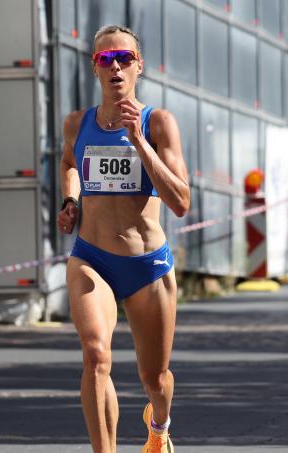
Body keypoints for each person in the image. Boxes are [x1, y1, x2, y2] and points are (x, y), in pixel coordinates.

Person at [56, 25, 190, 453]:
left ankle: (159, 426)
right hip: (92, 257)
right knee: (96, 356)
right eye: (105, 59)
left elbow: (182, 202)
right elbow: (68, 162)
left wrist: (139, 143)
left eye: (124, 59)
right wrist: (72, 199)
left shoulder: (159, 123)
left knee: (156, 379)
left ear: (139, 66)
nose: (114, 66)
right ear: (94, 68)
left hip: (146, 263)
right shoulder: (77, 123)